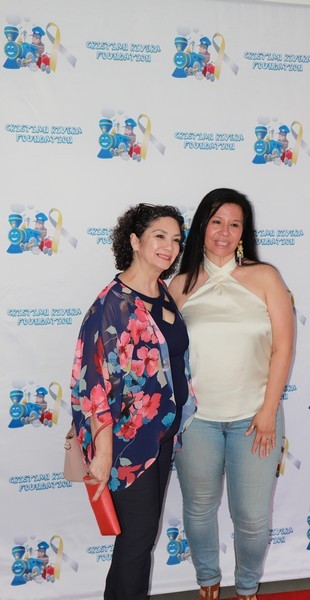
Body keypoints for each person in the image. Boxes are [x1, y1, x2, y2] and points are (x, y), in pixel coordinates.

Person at [169, 188, 294, 600]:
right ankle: (207, 579)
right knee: (199, 508)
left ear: (244, 232)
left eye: (234, 224)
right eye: (216, 222)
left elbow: (283, 347)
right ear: (201, 227)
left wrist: (268, 410)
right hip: (196, 421)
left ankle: (247, 587)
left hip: (255, 418)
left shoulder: (266, 277)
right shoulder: (180, 285)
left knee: (253, 518)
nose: (224, 232)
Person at [70, 204, 196, 600]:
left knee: (138, 541)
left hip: (159, 438)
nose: (169, 246)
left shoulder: (162, 293)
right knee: (137, 541)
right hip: (127, 445)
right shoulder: (112, 305)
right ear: (134, 240)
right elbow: (92, 383)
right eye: (159, 236)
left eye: (175, 239)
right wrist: (103, 452)